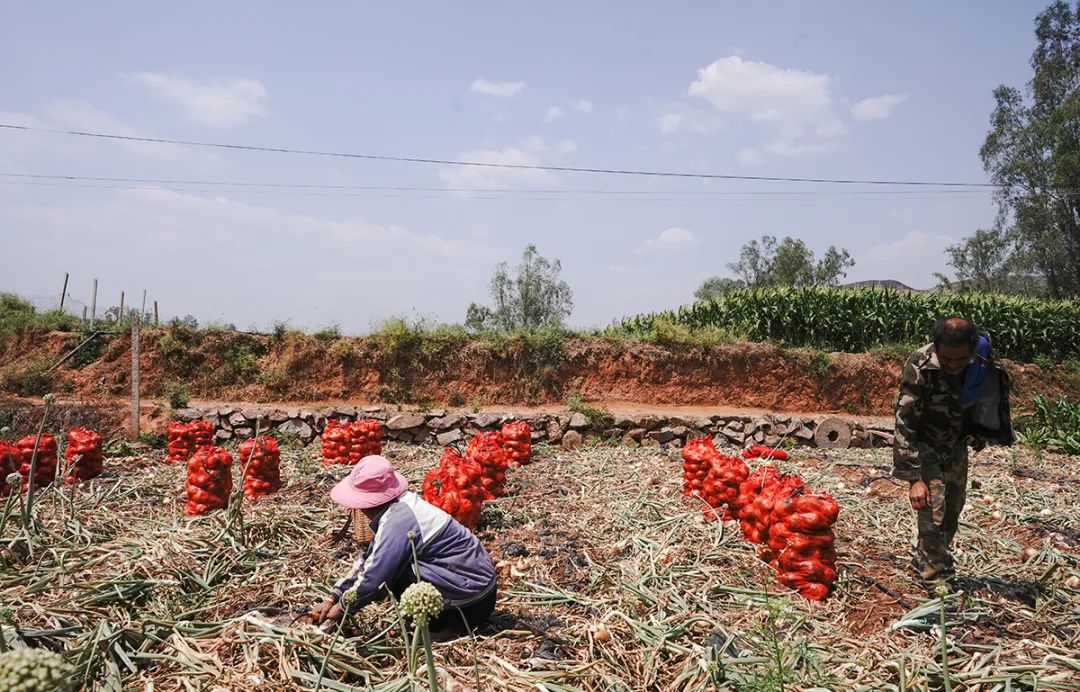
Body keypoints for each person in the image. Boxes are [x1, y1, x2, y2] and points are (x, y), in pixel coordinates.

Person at [311, 455, 497, 637]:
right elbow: (369, 558)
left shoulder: (397, 521)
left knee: (397, 573)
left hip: (468, 604)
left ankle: (440, 628)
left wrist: (341, 609)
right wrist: (333, 596)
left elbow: (373, 579)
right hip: (479, 594)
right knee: (395, 567)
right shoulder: (401, 506)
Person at [893, 317, 1013, 590]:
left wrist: (980, 432)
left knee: (952, 510)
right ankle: (937, 580)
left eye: (960, 360)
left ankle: (926, 557)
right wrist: (914, 478)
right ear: (936, 347)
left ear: (971, 350)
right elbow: (905, 420)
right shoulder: (919, 365)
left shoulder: (980, 363)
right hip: (926, 444)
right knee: (933, 510)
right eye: (947, 360)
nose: (953, 366)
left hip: (956, 443)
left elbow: (984, 399)